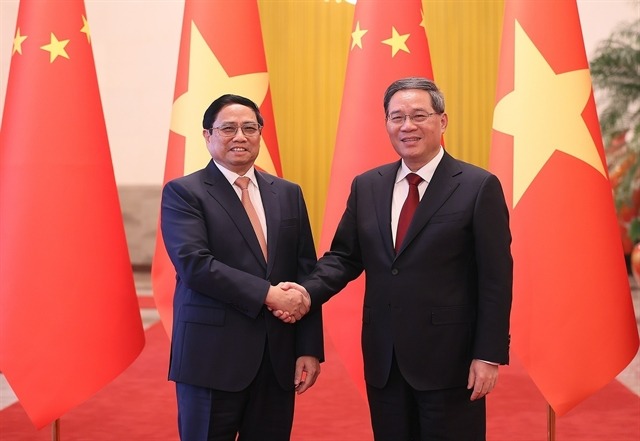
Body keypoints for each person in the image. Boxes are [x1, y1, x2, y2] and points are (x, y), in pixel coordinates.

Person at [280, 77, 512, 440]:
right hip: (384, 360)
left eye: (419, 115)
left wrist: (488, 354)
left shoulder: (478, 186)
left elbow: (496, 279)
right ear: (386, 123)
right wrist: (306, 294)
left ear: (442, 121)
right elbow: (343, 257)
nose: (407, 126)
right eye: (397, 117)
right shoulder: (367, 185)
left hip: (450, 361)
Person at [160, 94, 324, 441]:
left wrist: (308, 348)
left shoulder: (288, 193)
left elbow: (305, 273)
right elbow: (195, 265)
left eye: (249, 128)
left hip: (276, 360)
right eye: (228, 128)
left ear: (260, 135)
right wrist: (268, 295)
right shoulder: (185, 193)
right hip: (211, 359)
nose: (240, 136)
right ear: (208, 136)